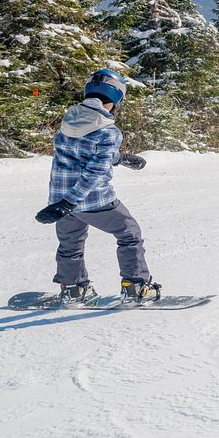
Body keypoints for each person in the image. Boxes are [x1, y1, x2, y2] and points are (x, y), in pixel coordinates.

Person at [34, 69, 158, 303]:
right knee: (129, 233)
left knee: (71, 243)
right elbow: (95, 169)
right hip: (92, 200)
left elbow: (80, 153)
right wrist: (73, 200)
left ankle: (73, 289)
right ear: (117, 99)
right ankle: (135, 287)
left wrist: (121, 158)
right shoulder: (108, 131)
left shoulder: (69, 121)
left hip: (60, 200)